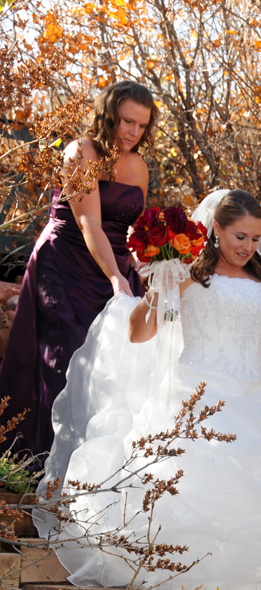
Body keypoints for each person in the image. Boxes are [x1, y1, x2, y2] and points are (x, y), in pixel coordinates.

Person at [36, 189, 261, 590]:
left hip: (254, 405)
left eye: (256, 239)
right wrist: (162, 288)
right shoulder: (188, 275)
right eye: (240, 235)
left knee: (258, 506)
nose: (248, 246)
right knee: (196, 499)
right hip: (195, 401)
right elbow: (138, 333)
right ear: (215, 229)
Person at [0, 80, 157, 462]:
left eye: (141, 126)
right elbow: (89, 224)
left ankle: (98, 464)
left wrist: (150, 259)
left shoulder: (138, 165)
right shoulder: (80, 151)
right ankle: (40, 462)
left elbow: (131, 224)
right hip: (66, 260)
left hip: (115, 263)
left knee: (121, 360)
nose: (133, 132)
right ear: (108, 115)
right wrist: (116, 278)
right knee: (66, 354)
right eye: (126, 122)